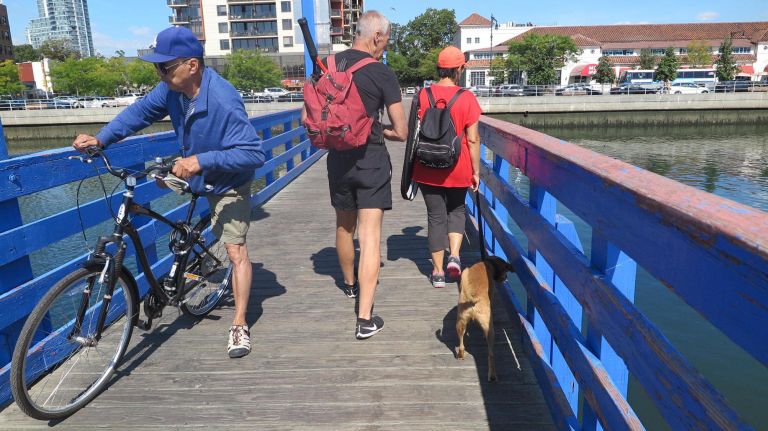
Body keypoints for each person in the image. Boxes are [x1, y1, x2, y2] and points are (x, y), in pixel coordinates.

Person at [72, 26, 265, 358]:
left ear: (191, 65)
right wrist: (102, 139)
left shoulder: (223, 98)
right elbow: (140, 113)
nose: (159, 73)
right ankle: (184, 246)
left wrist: (201, 160)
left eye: (165, 66)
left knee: (235, 252)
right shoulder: (171, 91)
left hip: (226, 180)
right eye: (156, 67)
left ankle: (239, 324)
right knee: (148, 187)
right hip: (191, 168)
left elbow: (254, 153)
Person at [303, 10, 407, 340]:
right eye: (386, 39)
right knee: (371, 235)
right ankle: (365, 318)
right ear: (376, 37)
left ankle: (349, 285)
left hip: (337, 160)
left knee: (344, 226)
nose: (385, 45)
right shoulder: (382, 73)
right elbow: (402, 131)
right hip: (371, 160)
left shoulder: (328, 65)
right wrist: (382, 130)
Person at [411, 46, 481, 288]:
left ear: (439, 68)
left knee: (435, 217)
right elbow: (472, 139)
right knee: (457, 210)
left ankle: (438, 272)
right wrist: (476, 171)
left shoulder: (423, 95)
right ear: (459, 69)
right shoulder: (467, 97)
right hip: (457, 166)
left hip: (427, 165)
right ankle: (455, 256)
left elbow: (414, 132)